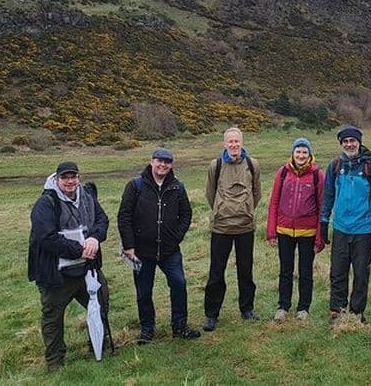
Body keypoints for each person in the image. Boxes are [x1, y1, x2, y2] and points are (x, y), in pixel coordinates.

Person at [27, 161, 110, 372]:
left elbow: (102, 219)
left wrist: (95, 238)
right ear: (57, 179)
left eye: (73, 176)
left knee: (101, 302)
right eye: (65, 177)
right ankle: (55, 361)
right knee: (53, 317)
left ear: (78, 178)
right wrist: (78, 249)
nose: (70, 181)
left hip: (87, 269)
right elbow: (46, 237)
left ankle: (99, 344)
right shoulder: (45, 203)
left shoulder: (88, 196)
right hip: (57, 274)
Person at [117, 148, 201, 344]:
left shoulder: (177, 187)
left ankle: (179, 326)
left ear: (171, 164)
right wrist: (129, 245)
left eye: (167, 162)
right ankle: (147, 329)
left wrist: (176, 237)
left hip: (170, 251)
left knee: (179, 284)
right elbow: (124, 216)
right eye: (159, 161)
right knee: (144, 291)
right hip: (142, 251)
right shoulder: (136, 185)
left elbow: (186, 214)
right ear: (151, 161)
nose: (163, 165)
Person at [320, 125, 371, 324]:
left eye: (353, 141)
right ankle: (337, 310)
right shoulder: (335, 165)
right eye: (345, 141)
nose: (349, 144)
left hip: (364, 230)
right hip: (341, 228)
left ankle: (357, 312)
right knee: (338, 272)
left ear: (359, 142)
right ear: (341, 144)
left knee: (361, 273)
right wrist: (324, 221)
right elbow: (328, 195)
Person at [203, 127, 262, 331]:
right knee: (216, 272)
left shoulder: (253, 165)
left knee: (245, 270)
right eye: (230, 142)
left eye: (237, 141)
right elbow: (210, 193)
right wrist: (221, 210)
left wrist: (246, 210)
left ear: (242, 143)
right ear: (225, 144)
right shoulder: (215, 165)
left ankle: (247, 309)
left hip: (245, 226)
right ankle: (211, 314)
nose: (234, 145)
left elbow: (257, 192)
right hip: (221, 227)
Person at [266, 137, 325, 322]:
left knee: (305, 271)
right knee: (285, 270)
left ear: (309, 154)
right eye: (298, 151)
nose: (301, 155)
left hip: (307, 232)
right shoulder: (282, 173)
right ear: (293, 153)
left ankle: (303, 308)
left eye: (304, 152)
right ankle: (283, 307)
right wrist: (271, 230)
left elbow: (323, 206)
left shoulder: (317, 175)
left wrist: (320, 236)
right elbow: (274, 201)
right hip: (283, 230)